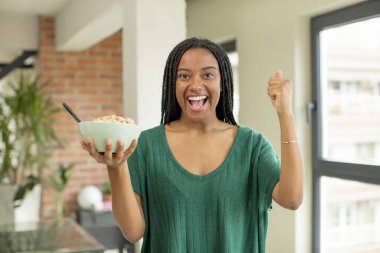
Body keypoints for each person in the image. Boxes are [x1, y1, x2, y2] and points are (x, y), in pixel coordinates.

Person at [81, 37, 304, 253]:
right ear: (173, 84)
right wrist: (115, 166)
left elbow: (292, 198)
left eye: (208, 75)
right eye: (184, 76)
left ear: (223, 82)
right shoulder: (147, 146)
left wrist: (286, 114)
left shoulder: (252, 146)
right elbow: (133, 231)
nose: (196, 85)